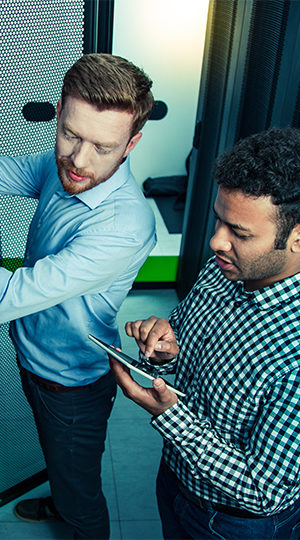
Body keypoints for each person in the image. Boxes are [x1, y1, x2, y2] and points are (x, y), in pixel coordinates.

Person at [110, 127, 300, 540]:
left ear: (297, 238)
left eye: (240, 233)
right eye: (219, 219)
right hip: (176, 478)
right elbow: (183, 344)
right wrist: (164, 349)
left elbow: (263, 491)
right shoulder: (223, 270)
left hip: (234, 522)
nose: (216, 241)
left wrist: (168, 415)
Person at [0, 53, 156, 539]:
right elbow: (8, 173)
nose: (79, 160)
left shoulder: (123, 225)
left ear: (131, 144)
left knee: (82, 490)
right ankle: (62, 495)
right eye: (71, 134)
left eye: (103, 146)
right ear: (61, 113)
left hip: (68, 384)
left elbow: (14, 293)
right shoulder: (61, 162)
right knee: (61, 465)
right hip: (34, 357)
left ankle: (76, 512)